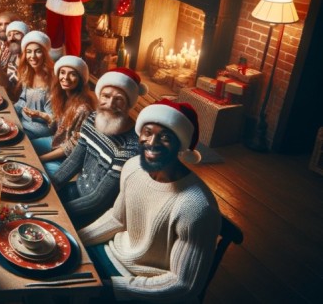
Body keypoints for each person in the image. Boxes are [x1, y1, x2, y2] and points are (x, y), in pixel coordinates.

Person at [79, 99, 221, 302]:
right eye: (147, 132)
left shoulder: (196, 206)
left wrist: (113, 288)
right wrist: (76, 239)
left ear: (181, 145)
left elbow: (184, 284)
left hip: (144, 283)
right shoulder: (132, 167)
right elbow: (118, 219)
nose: (152, 142)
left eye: (165, 137)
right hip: (114, 253)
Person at [51, 67, 146, 228]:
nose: (110, 104)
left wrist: (60, 211)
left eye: (119, 99)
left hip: (94, 213)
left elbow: (100, 200)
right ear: (99, 95)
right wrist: (50, 185)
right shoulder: (93, 118)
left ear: (129, 104)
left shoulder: (131, 145)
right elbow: (74, 160)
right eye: (106, 96)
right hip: (76, 191)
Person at [36, 56, 97, 175]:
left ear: (80, 79)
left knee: (39, 170)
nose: (65, 78)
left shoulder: (83, 109)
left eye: (72, 74)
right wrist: (41, 115)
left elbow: (72, 147)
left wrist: (41, 158)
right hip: (57, 142)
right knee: (28, 147)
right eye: (62, 72)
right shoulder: (63, 96)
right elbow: (61, 123)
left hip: (68, 157)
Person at [12, 31, 55, 139]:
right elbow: (22, 102)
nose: (33, 56)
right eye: (29, 52)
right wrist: (9, 111)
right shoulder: (28, 74)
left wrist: (39, 114)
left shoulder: (52, 80)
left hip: (39, 131)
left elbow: (54, 119)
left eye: (38, 51)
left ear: (45, 54)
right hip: (22, 124)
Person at [0, 20, 29, 92]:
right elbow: (5, 84)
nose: (12, 38)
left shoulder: (30, 59)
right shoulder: (13, 57)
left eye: (16, 34)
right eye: (9, 35)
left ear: (26, 36)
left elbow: (17, 92)